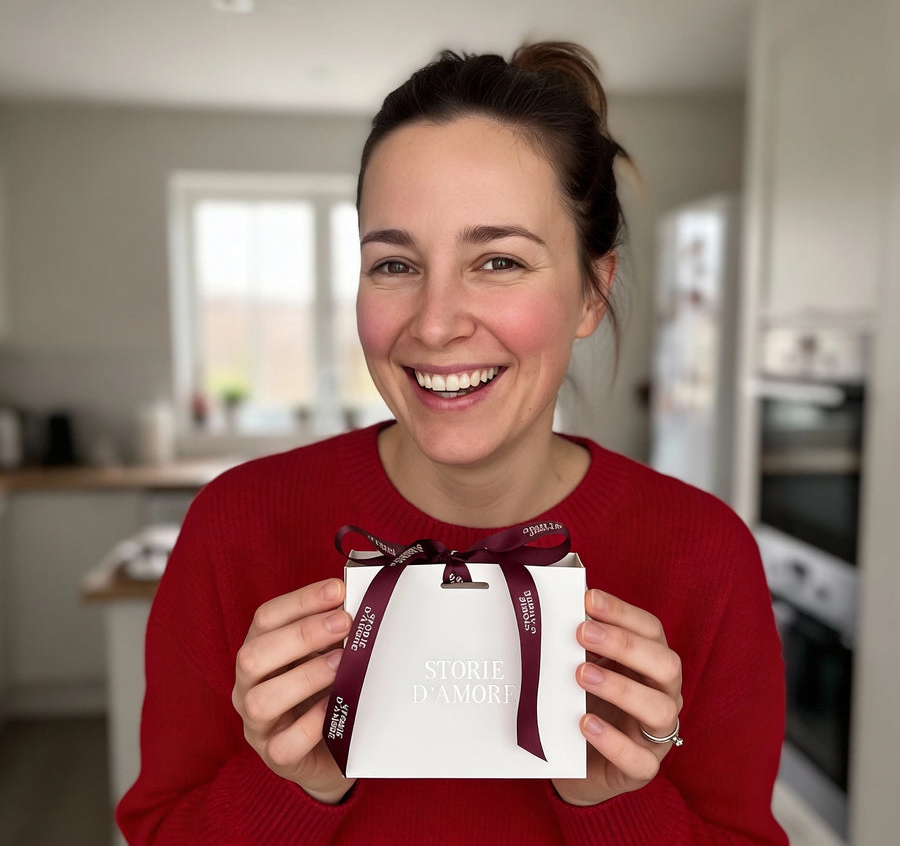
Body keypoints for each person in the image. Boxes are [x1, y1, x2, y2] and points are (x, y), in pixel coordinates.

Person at [117, 42, 788, 844]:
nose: (435, 324)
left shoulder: (705, 555)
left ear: (591, 291)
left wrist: (616, 805)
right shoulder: (236, 525)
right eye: (395, 264)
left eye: (498, 260)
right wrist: (292, 786)